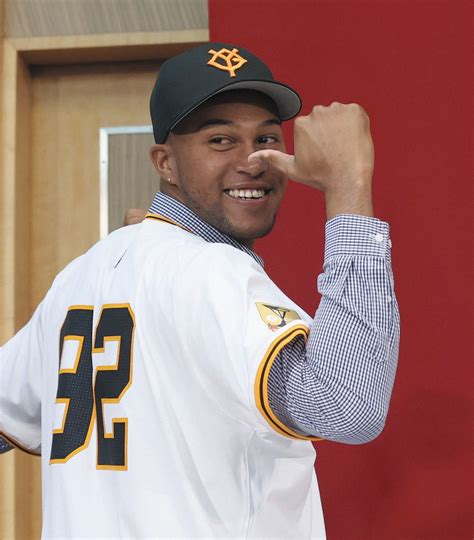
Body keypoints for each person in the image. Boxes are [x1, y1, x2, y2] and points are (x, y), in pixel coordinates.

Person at [0, 43, 400, 539]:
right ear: (165, 162)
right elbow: (347, 406)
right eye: (220, 140)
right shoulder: (212, 271)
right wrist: (348, 187)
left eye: (266, 137)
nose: (253, 160)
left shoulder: (82, 275)